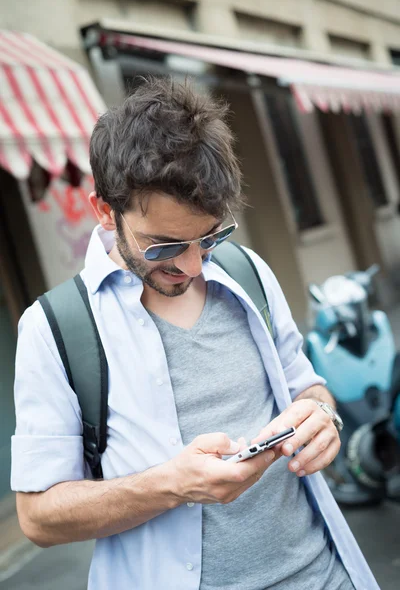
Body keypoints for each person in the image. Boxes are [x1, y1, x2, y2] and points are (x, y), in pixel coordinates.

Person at [11, 78, 378, 590]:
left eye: (208, 237)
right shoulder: (52, 328)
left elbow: (305, 386)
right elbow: (38, 517)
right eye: (163, 246)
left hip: (325, 575)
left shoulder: (247, 270)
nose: (190, 265)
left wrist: (322, 415)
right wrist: (170, 486)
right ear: (104, 212)